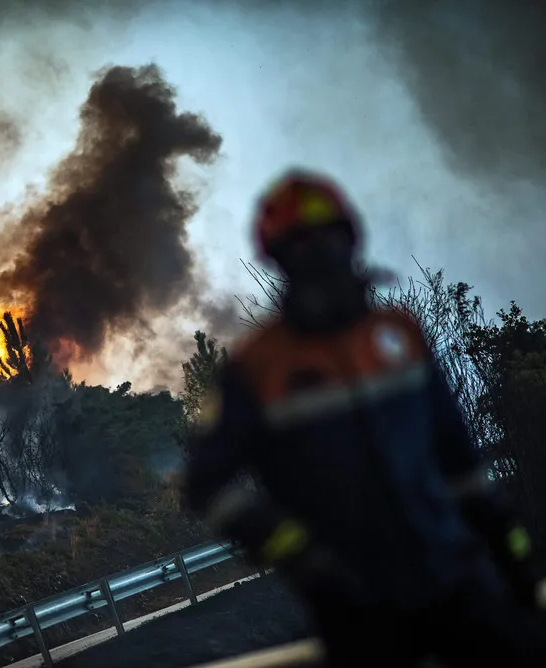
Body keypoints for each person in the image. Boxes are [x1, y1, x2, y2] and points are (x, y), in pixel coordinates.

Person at [180, 168, 546, 667]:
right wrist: (297, 553)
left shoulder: (400, 334)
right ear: (280, 258)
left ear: (350, 238)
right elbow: (206, 481)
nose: (320, 256)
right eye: (301, 244)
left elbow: (461, 462)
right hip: (357, 607)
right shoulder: (257, 367)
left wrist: (511, 550)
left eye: (328, 238)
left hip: (456, 579)